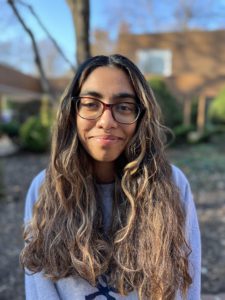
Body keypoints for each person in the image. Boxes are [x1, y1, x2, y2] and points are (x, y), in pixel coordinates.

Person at [20, 54, 201, 300]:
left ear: (141, 118)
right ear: (72, 112)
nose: (106, 121)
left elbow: (185, 286)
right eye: (91, 104)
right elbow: (40, 290)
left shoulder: (172, 184)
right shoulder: (44, 187)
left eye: (124, 107)